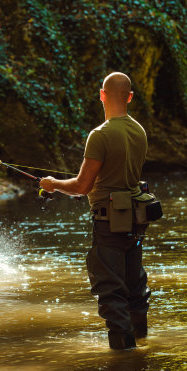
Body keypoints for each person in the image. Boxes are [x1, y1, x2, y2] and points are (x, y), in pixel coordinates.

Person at [39, 71, 150, 350]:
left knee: (112, 295)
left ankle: (124, 361)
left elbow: (81, 186)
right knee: (135, 292)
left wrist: (52, 184)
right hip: (136, 222)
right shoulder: (139, 130)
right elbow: (121, 176)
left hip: (109, 225)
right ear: (130, 97)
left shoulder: (99, 135)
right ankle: (142, 350)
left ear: (102, 95)